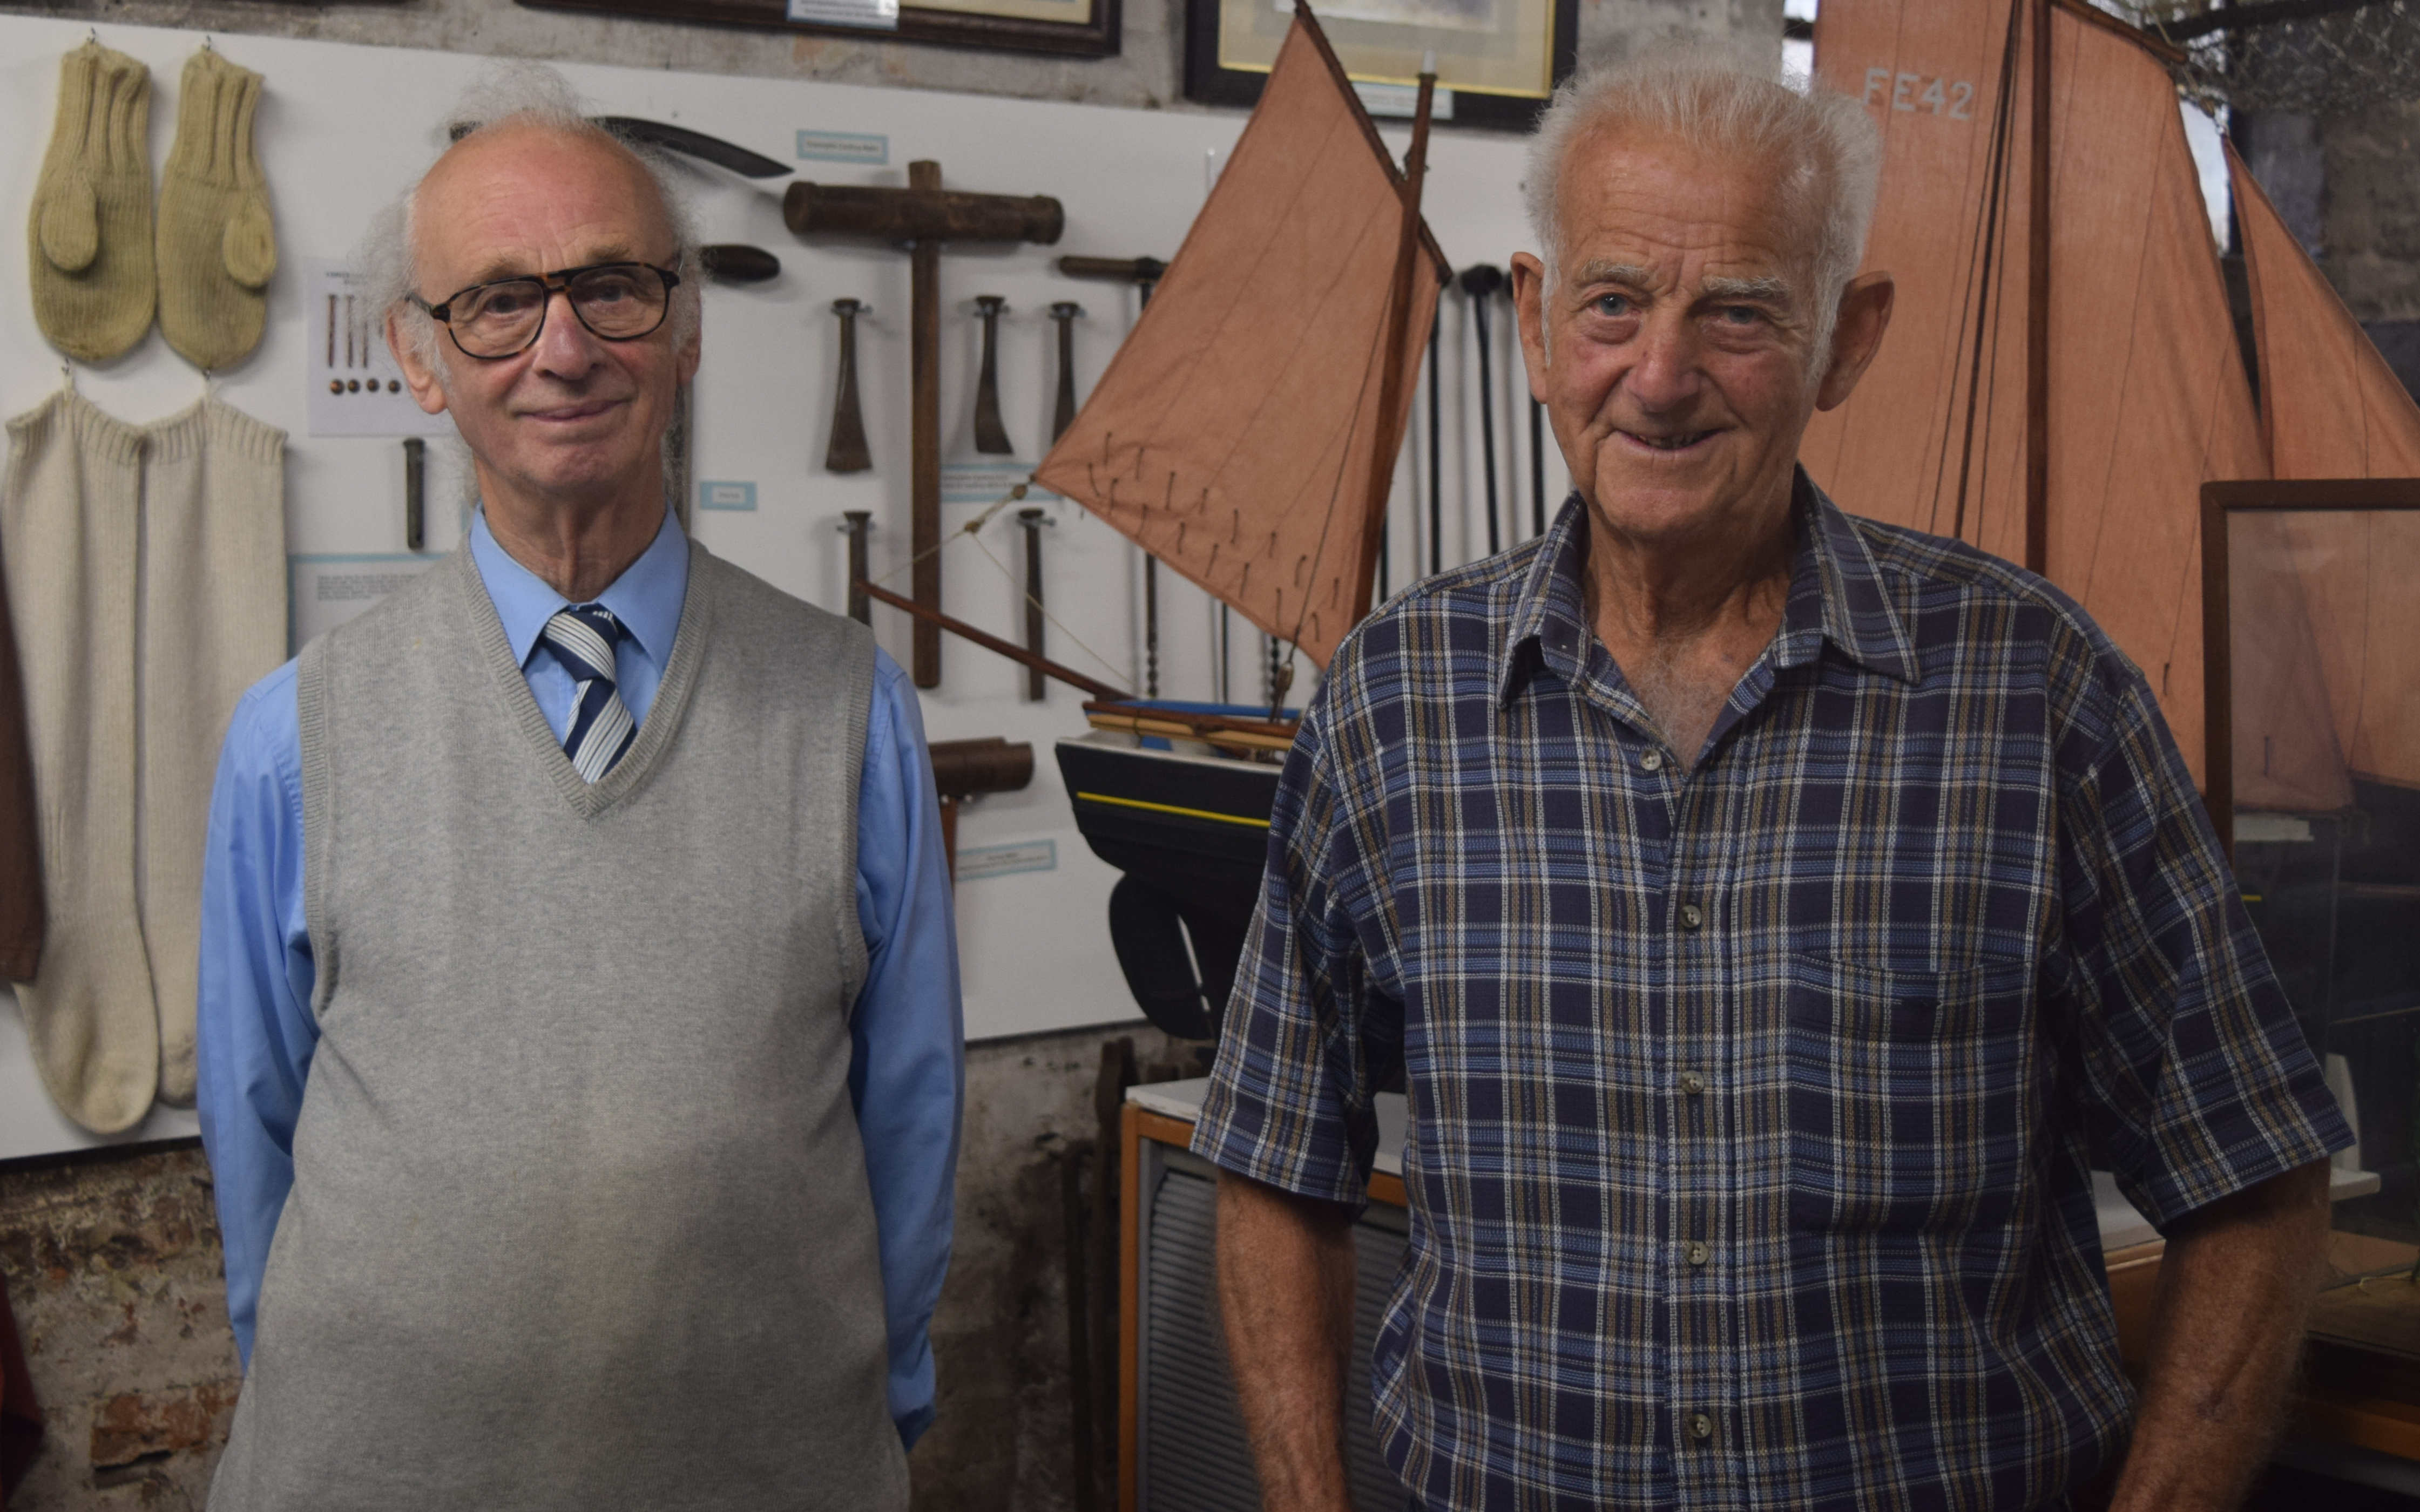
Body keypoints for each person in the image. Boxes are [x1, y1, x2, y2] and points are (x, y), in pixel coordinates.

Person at [1193, 51, 2350, 1512]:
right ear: (1541, 324)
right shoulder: (1388, 703)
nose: (1660, 376)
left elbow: (2252, 1176)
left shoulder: (2034, 693)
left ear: (1846, 341)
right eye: (1613, 303)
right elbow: (1272, 1165)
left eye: (1737, 312)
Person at [194, 70, 962, 1511]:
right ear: (418, 357)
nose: (563, 347)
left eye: (612, 287)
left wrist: (864, 1418)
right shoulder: (295, 738)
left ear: (683, 333)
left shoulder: (848, 711)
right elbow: (257, 1150)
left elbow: (907, 1128)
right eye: (497, 299)